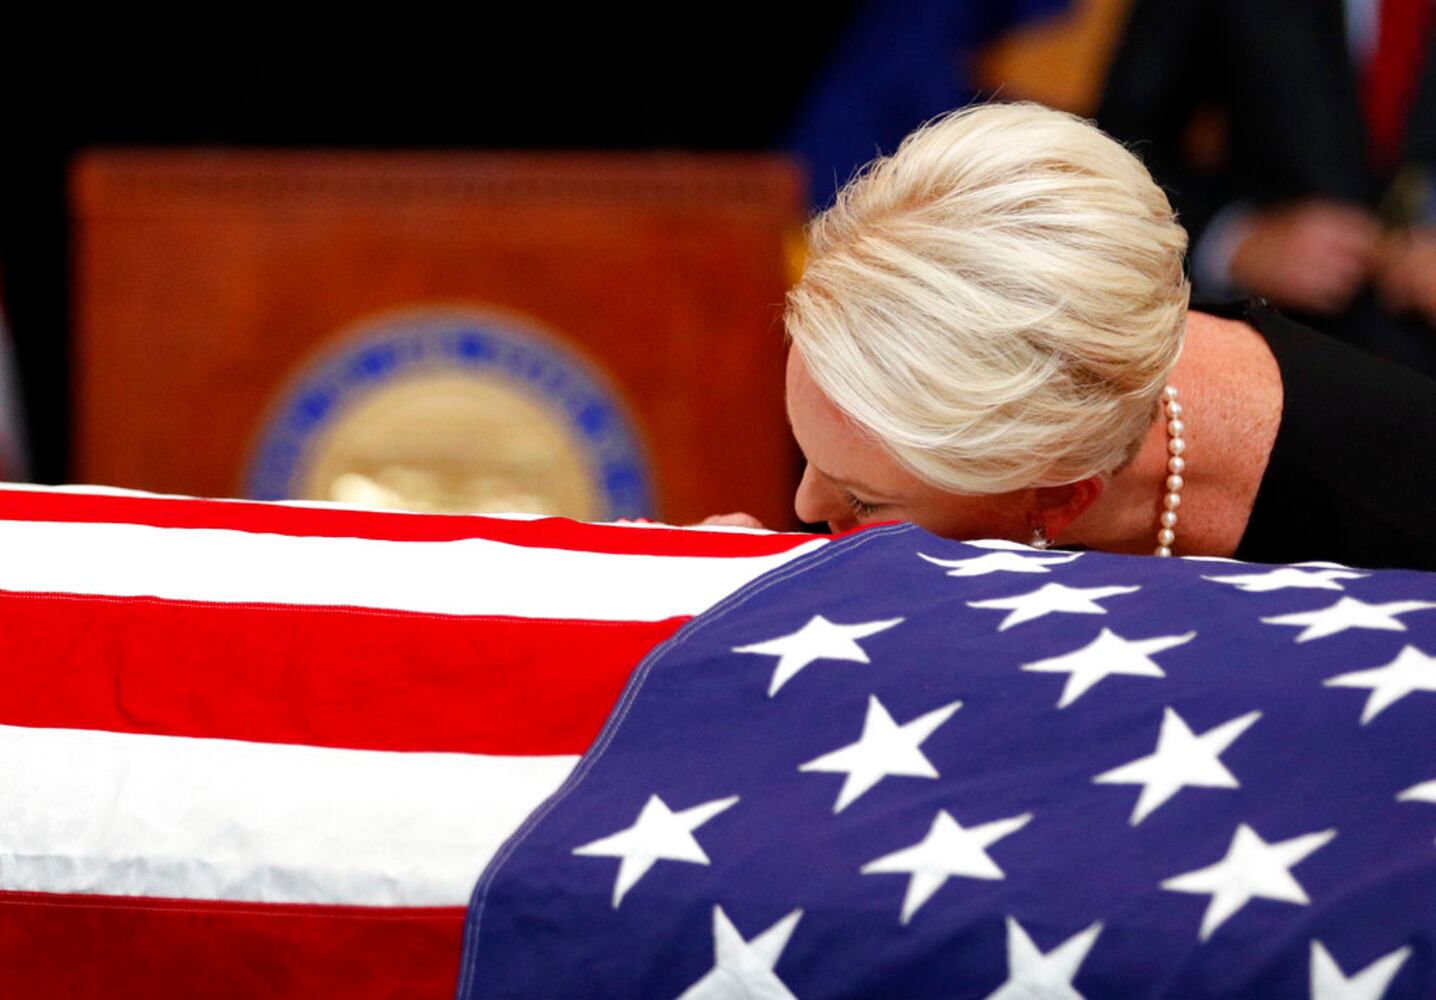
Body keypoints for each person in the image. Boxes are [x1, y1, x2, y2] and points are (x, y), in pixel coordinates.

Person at [706, 102, 1436, 571]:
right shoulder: (990, 413)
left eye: (861, 502)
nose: (802, 509)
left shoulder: (1396, 521)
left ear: (1057, 500)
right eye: (807, 455)